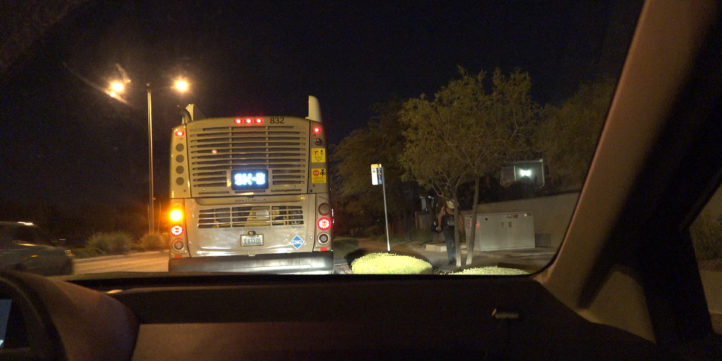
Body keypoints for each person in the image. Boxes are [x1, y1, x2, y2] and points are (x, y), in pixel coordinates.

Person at [436, 200, 464, 265]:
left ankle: (452, 255)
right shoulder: (444, 209)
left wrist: (462, 228)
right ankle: (450, 259)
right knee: (449, 243)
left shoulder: (457, 210)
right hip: (447, 229)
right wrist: (439, 225)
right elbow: (439, 217)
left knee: (456, 243)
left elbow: (461, 219)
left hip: (455, 229)